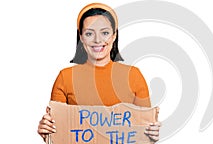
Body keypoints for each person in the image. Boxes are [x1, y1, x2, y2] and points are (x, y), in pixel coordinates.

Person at [37, 2, 160, 143]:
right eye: (89, 33)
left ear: (114, 36)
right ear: (81, 37)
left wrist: (151, 133)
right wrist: (47, 131)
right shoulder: (65, 77)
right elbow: (59, 132)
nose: (97, 40)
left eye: (105, 33)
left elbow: (142, 129)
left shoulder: (133, 76)